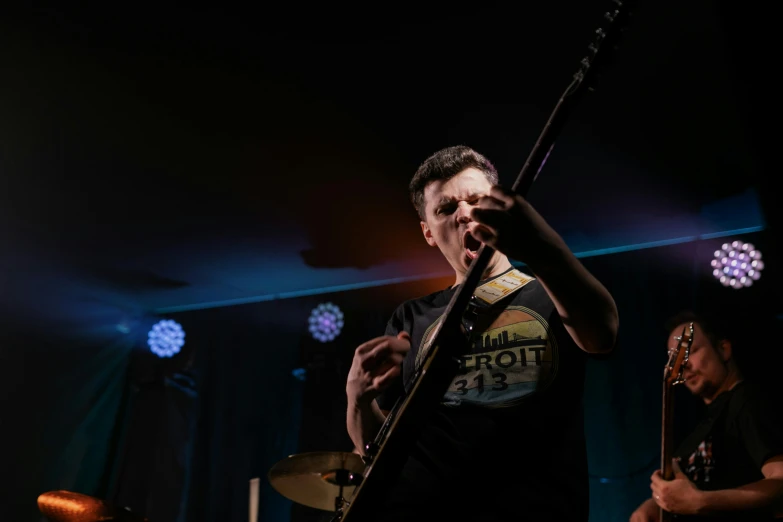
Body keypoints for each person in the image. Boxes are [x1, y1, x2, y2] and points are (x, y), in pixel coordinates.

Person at [345, 145, 619, 521]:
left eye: (475, 200)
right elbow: (377, 457)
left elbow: (603, 334)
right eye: (445, 209)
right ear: (428, 232)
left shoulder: (550, 289)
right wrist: (357, 401)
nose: (463, 214)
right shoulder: (411, 317)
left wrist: (538, 246)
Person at [629, 309, 783, 521]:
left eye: (690, 351)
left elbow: (780, 479)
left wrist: (701, 502)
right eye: (675, 359)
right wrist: (652, 506)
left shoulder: (746, 401)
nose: (683, 366)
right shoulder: (697, 431)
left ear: (724, 349)